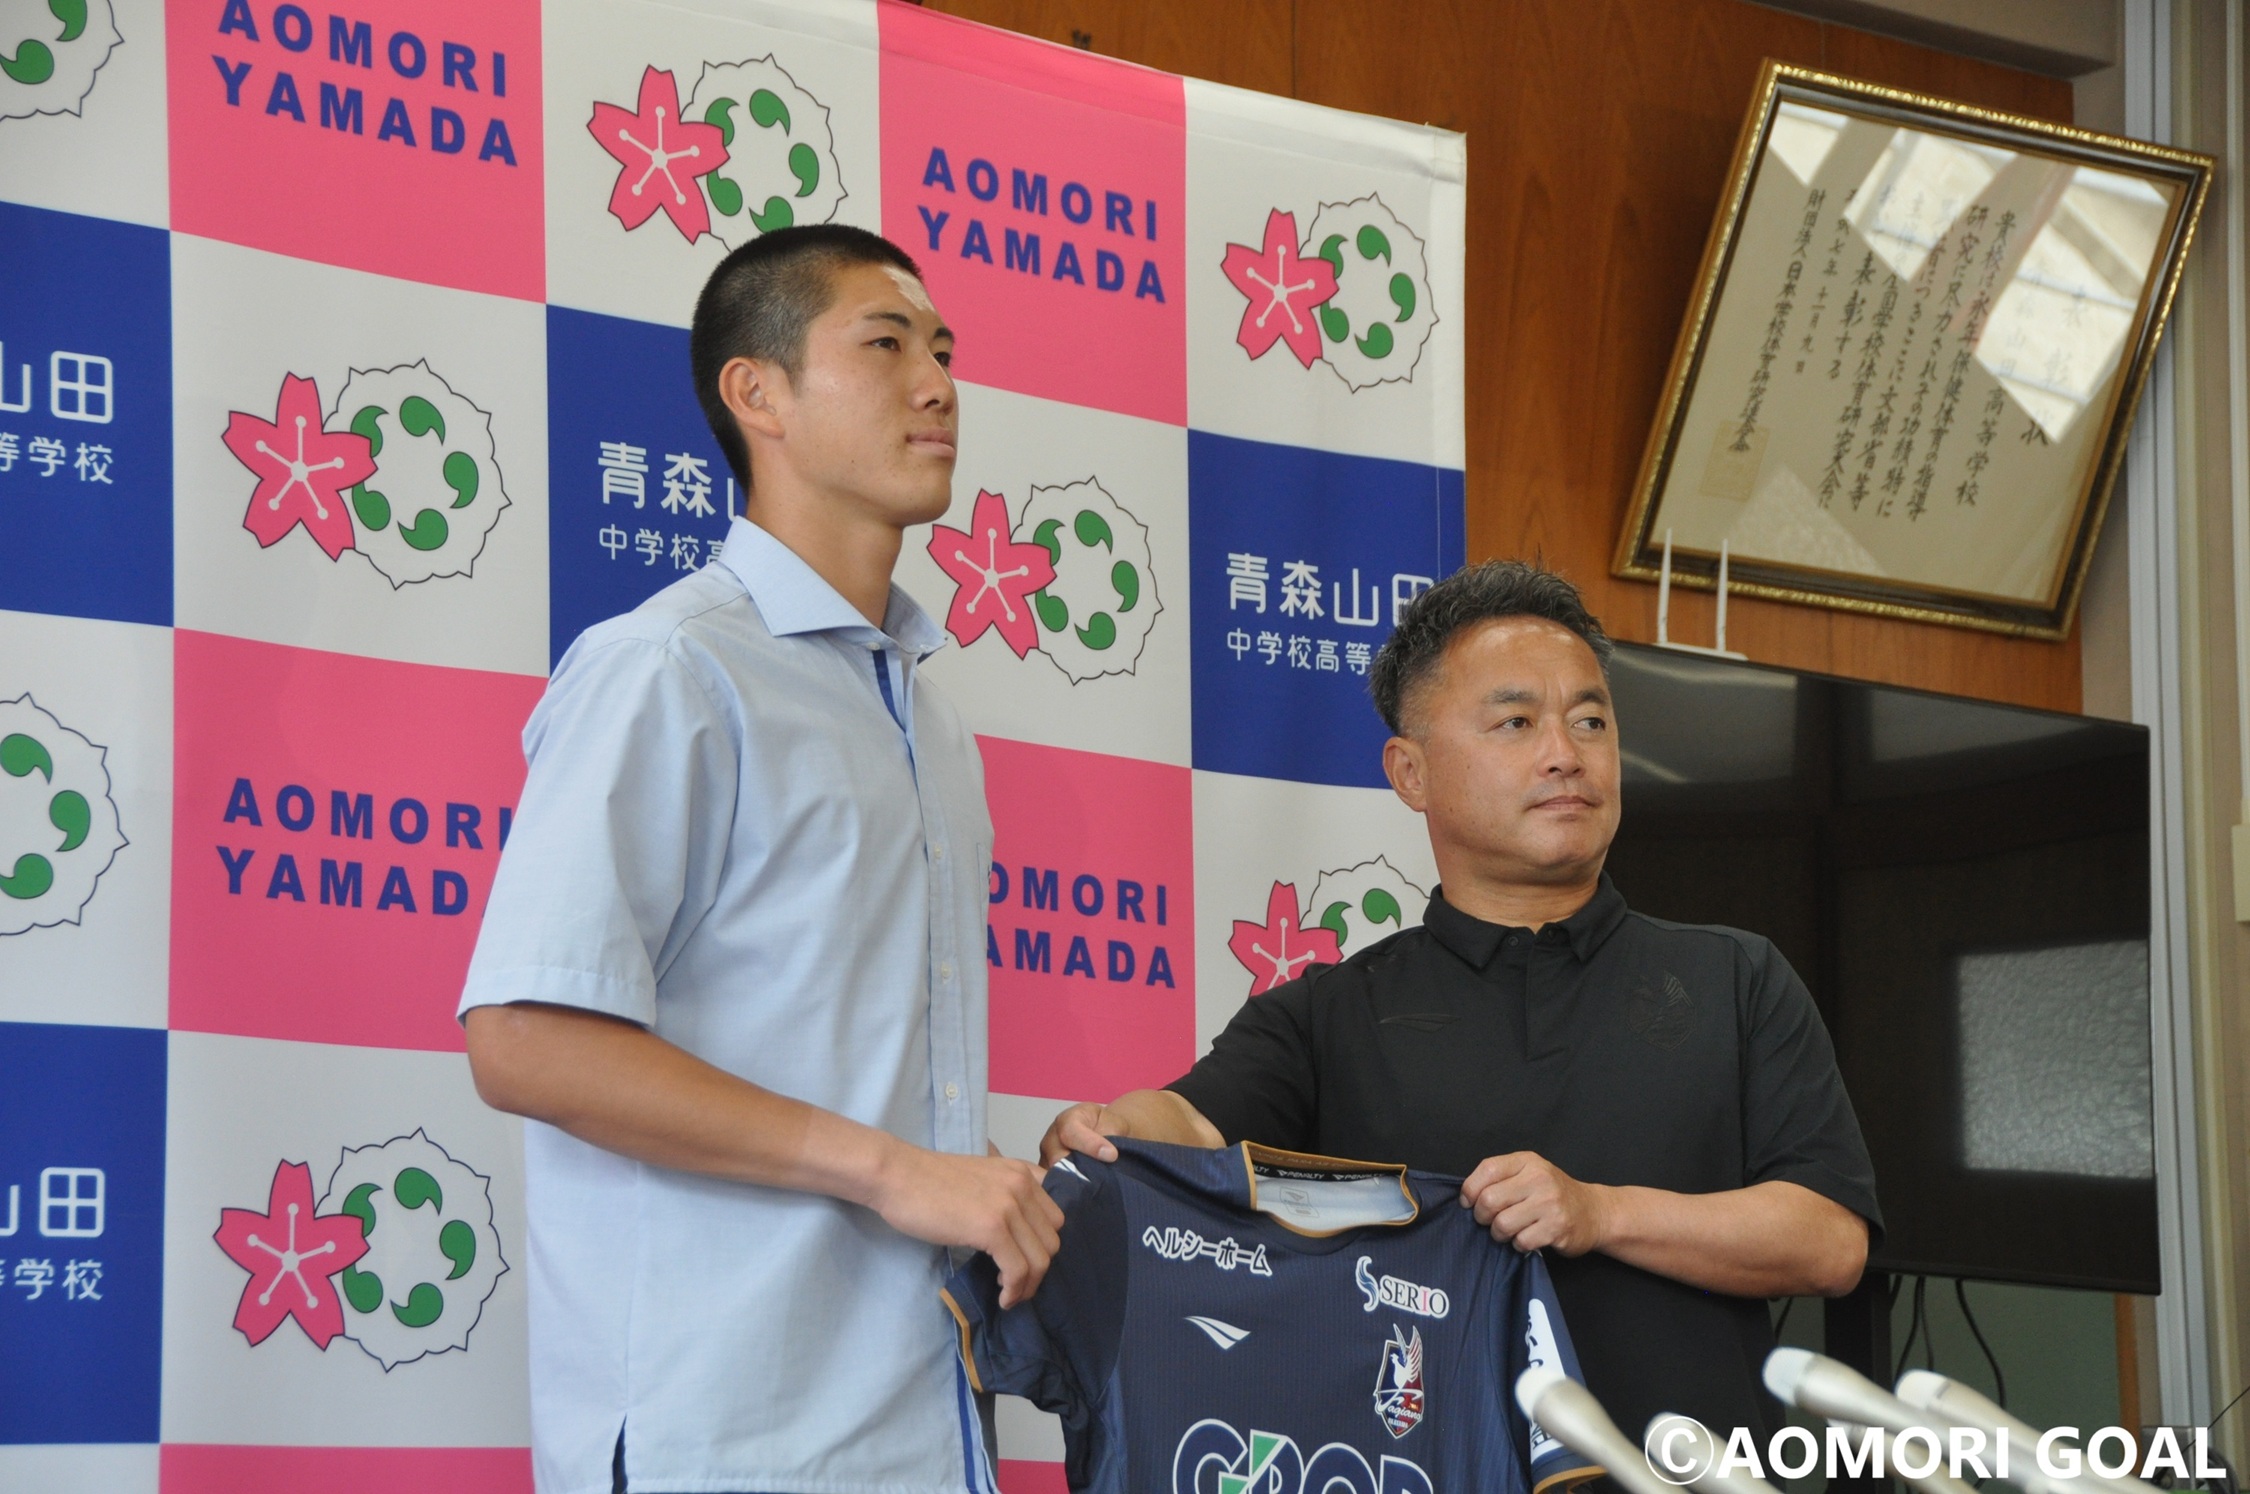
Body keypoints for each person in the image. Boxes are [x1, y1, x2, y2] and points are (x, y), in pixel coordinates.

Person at [459, 225, 1060, 1494]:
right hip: (728, 1435)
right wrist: (895, 1170)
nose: (938, 386)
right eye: (886, 345)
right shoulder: (671, 667)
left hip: (922, 1424)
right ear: (758, 393)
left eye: (945, 352)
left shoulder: (932, 717)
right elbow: (524, 1038)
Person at [1041, 560, 1880, 1443]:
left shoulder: (1735, 977)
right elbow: (1185, 1121)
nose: (1565, 753)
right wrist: (1111, 1129)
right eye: (1516, 722)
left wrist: (1599, 1213)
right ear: (1410, 773)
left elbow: (1830, 1240)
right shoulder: (1332, 1013)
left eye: (1590, 720)